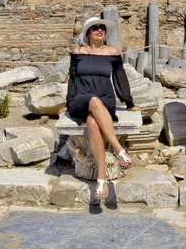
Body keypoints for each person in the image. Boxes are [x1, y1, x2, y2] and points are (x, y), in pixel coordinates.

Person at [58, 16, 141, 200]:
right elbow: (72, 77)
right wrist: (66, 104)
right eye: (94, 27)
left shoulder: (112, 52)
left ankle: (101, 179)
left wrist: (129, 103)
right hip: (80, 98)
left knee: (93, 124)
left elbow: (120, 78)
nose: (99, 30)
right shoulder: (77, 51)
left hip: (105, 98)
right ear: (88, 33)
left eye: (102, 28)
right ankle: (119, 149)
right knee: (94, 101)